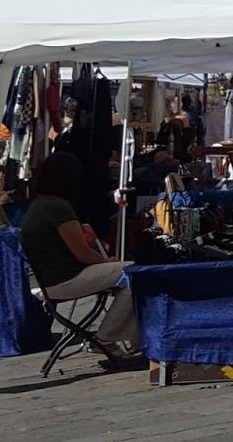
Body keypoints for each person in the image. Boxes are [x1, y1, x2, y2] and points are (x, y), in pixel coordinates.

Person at [19, 153, 139, 361]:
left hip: (53, 279)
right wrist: (109, 263)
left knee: (131, 276)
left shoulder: (40, 205)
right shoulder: (57, 207)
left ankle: (134, 338)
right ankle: (106, 337)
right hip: (65, 279)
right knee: (137, 274)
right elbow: (81, 253)